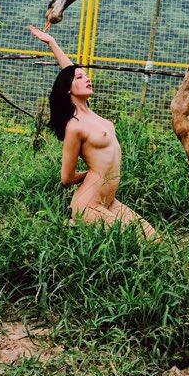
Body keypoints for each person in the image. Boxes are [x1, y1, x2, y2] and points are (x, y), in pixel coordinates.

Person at [28, 25, 158, 239]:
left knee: (154, 239)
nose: (87, 78)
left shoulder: (93, 116)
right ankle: (75, 222)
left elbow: (69, 72)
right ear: (69, 89)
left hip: (110, 201)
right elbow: (66, 178)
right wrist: (92, 174)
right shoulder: (75, 126)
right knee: (134, 241)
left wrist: (52, 42)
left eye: (86, 75)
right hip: (89, 204)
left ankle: (73, 228)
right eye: (80, 78)